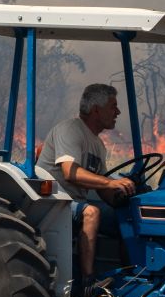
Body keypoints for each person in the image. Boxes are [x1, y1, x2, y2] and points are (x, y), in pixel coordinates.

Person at [36, 84, 138, 283]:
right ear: (96, 110)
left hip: (75, 202)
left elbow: (101, 188)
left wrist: (123, 197)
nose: (117, 112)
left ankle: (131, 276)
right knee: (91, 213)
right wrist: (110, 183)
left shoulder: (98, 145)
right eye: (113, 106)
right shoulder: (70, 129)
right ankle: (88, 282)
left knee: (127, 216)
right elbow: (70, 172)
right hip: (53, 201)